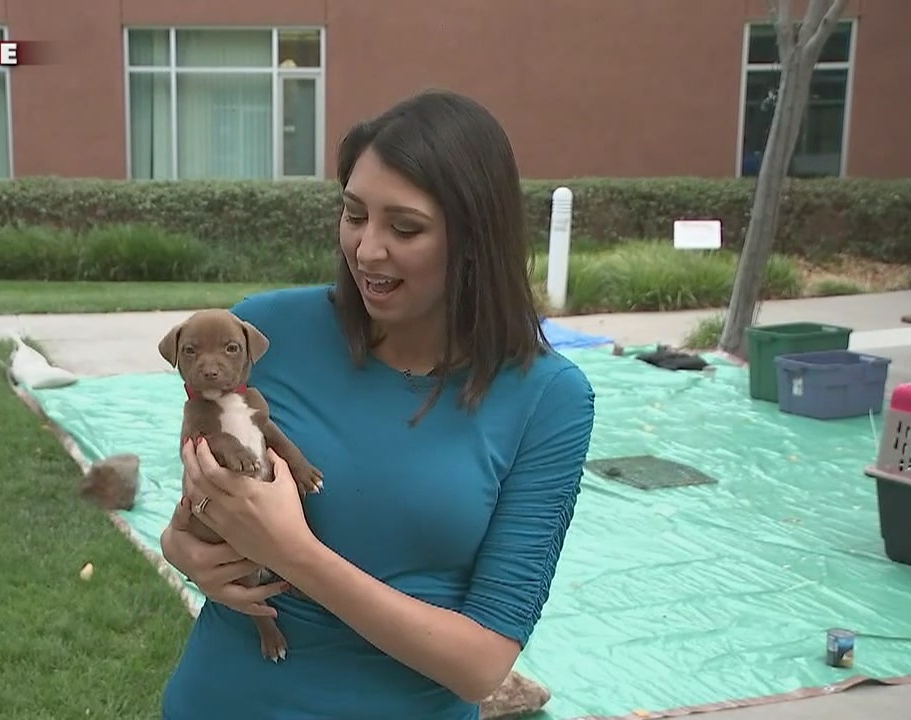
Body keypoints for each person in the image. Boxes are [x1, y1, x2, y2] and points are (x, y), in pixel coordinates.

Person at [158, 89, 596, 720]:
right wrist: (181, 547)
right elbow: (197, 502)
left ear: (476, 238)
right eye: (354, 214)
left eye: (405, 228)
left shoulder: (546, 399)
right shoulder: (260, 334)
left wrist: (292, 553)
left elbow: (480, 665)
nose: (365, 250)